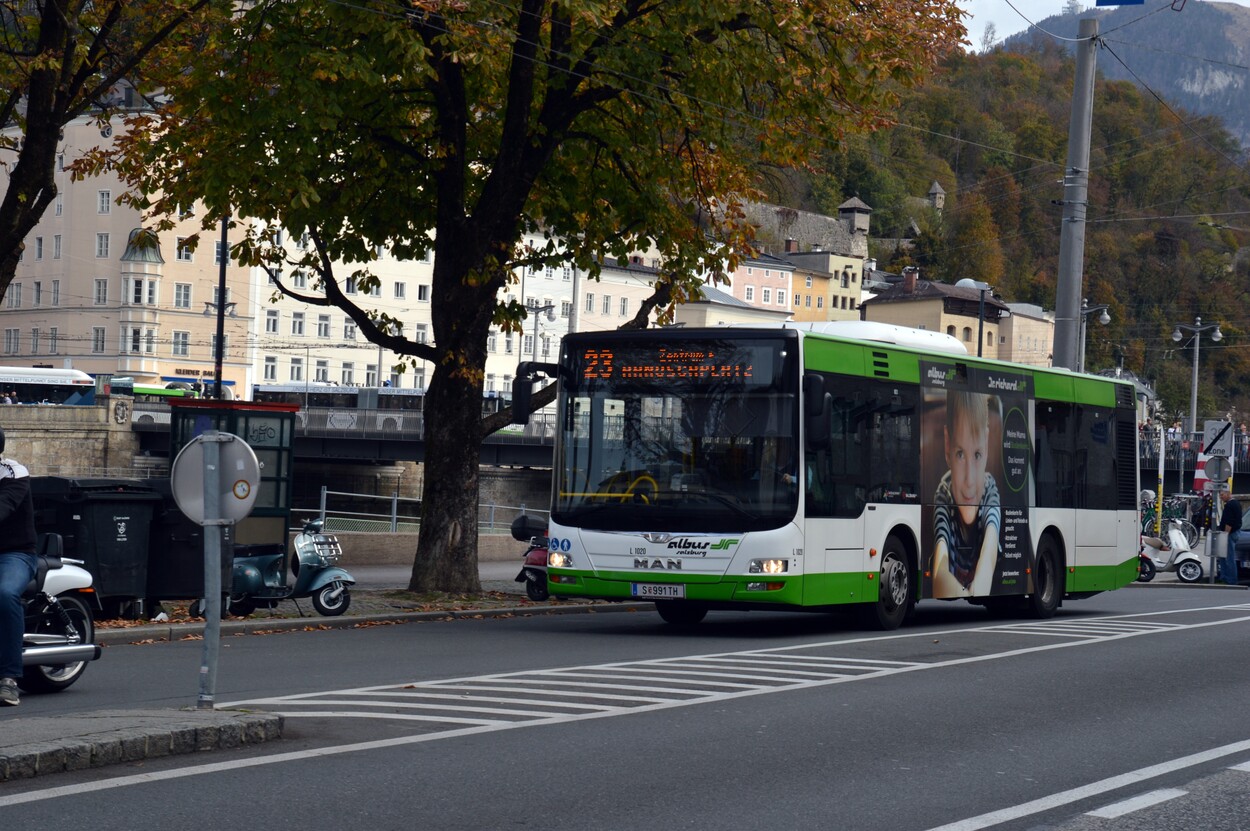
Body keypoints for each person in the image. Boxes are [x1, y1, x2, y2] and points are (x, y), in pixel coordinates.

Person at [932, 391, 1001, 598]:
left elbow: (990, 548)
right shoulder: (944, 495)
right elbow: (940, 571)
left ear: (986, 446)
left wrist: (980, 583)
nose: (969, 481)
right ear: (947, 447)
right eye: (960, 454)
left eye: (977, 454)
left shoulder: (989, 489)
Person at [0, 426, 36, 706]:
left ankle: (8, 678)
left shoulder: (13, 472)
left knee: (4, 593)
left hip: (15, 553)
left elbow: (4, 506)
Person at [1218, 489, 1242, 585]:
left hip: (1230, 533)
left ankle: (1230, 580)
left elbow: (1229, 522)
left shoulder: (1229, 505)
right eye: (1220, 495)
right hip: (1236, 532)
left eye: (1222, 495)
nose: (1221, 497)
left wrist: (1225, 535)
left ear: (1228, 494)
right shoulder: (1236, 503)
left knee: (1229, 557)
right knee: (1227, 556)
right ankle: (1225, 577)